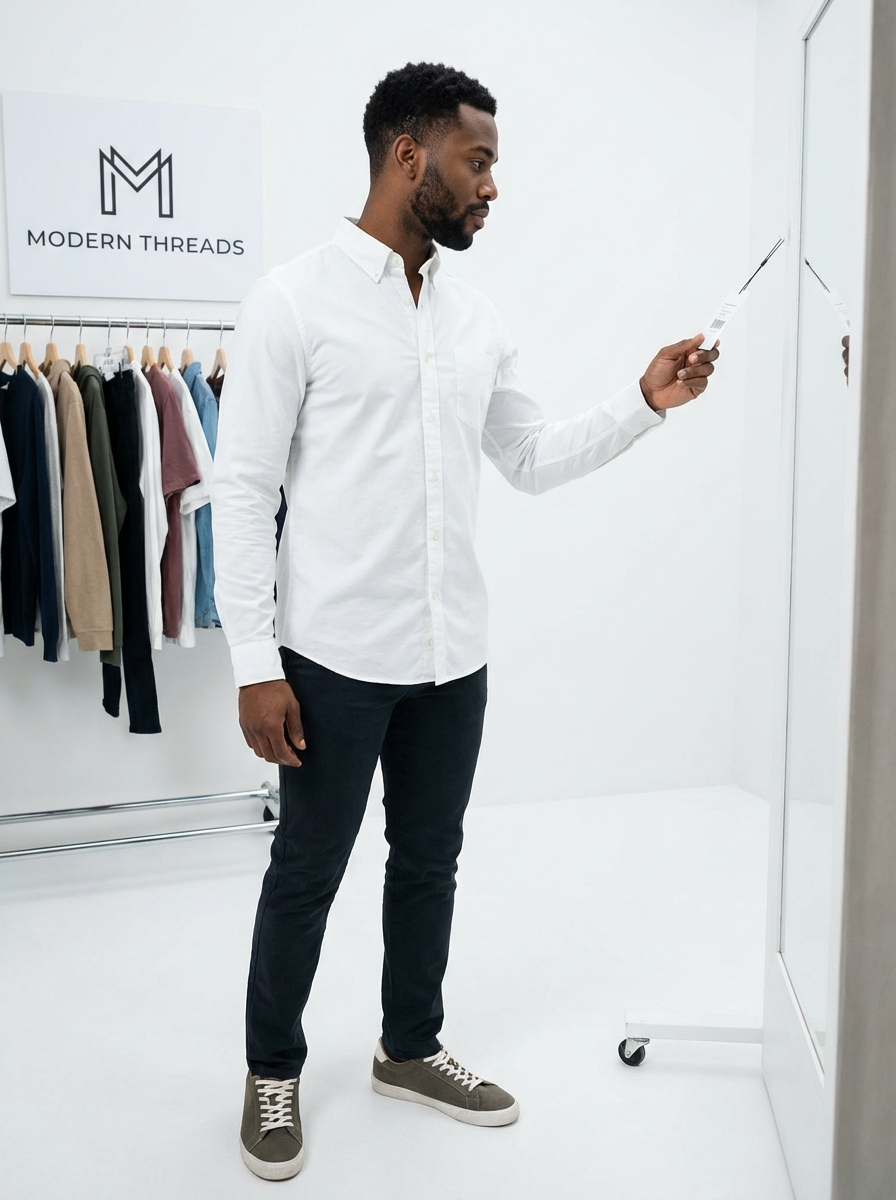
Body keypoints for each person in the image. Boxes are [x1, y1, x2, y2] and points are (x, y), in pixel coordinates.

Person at [211, 61, 720, 1182]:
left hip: (452, 659)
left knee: (428, 862)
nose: (491, 186)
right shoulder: (291, 302)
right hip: (331, 660)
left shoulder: (474, 317)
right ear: (409, 156)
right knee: (306, 870)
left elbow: (527, 457)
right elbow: (241, 491)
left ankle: (409, 1047)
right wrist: (254, 662)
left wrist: (642, 402)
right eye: (476, 161)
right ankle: (272, 1069)